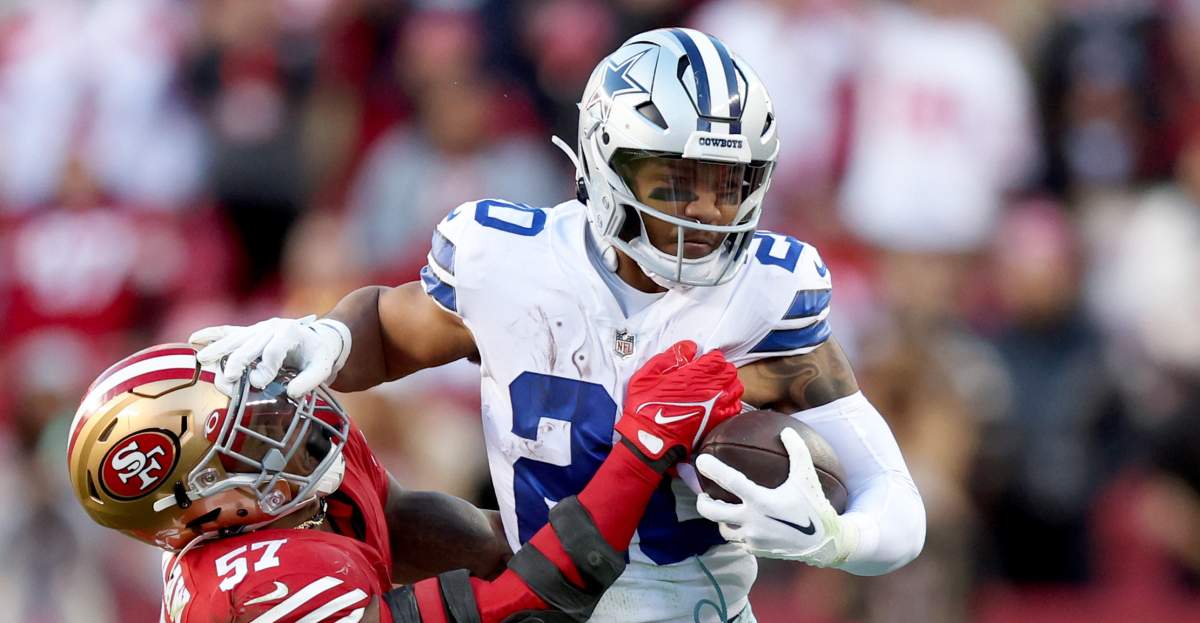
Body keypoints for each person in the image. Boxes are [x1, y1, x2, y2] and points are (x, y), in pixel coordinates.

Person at [192, 28, 926, 622]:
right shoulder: (509, 259)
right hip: (535, 605)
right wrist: (328, 336)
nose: (705, 210)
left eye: (727, 183)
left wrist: (837, 537)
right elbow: (387, 330)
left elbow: (894, 500)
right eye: (676, 181)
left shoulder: (766, 295)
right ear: (607, 163)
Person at [68, 340, 743, 622]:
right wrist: (640, 451)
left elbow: (440, 535)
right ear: (198, 507)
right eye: (244, 438)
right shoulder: (256, 585)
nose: (283, 419)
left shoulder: (295, 493)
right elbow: (521, 609)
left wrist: (631, 519)